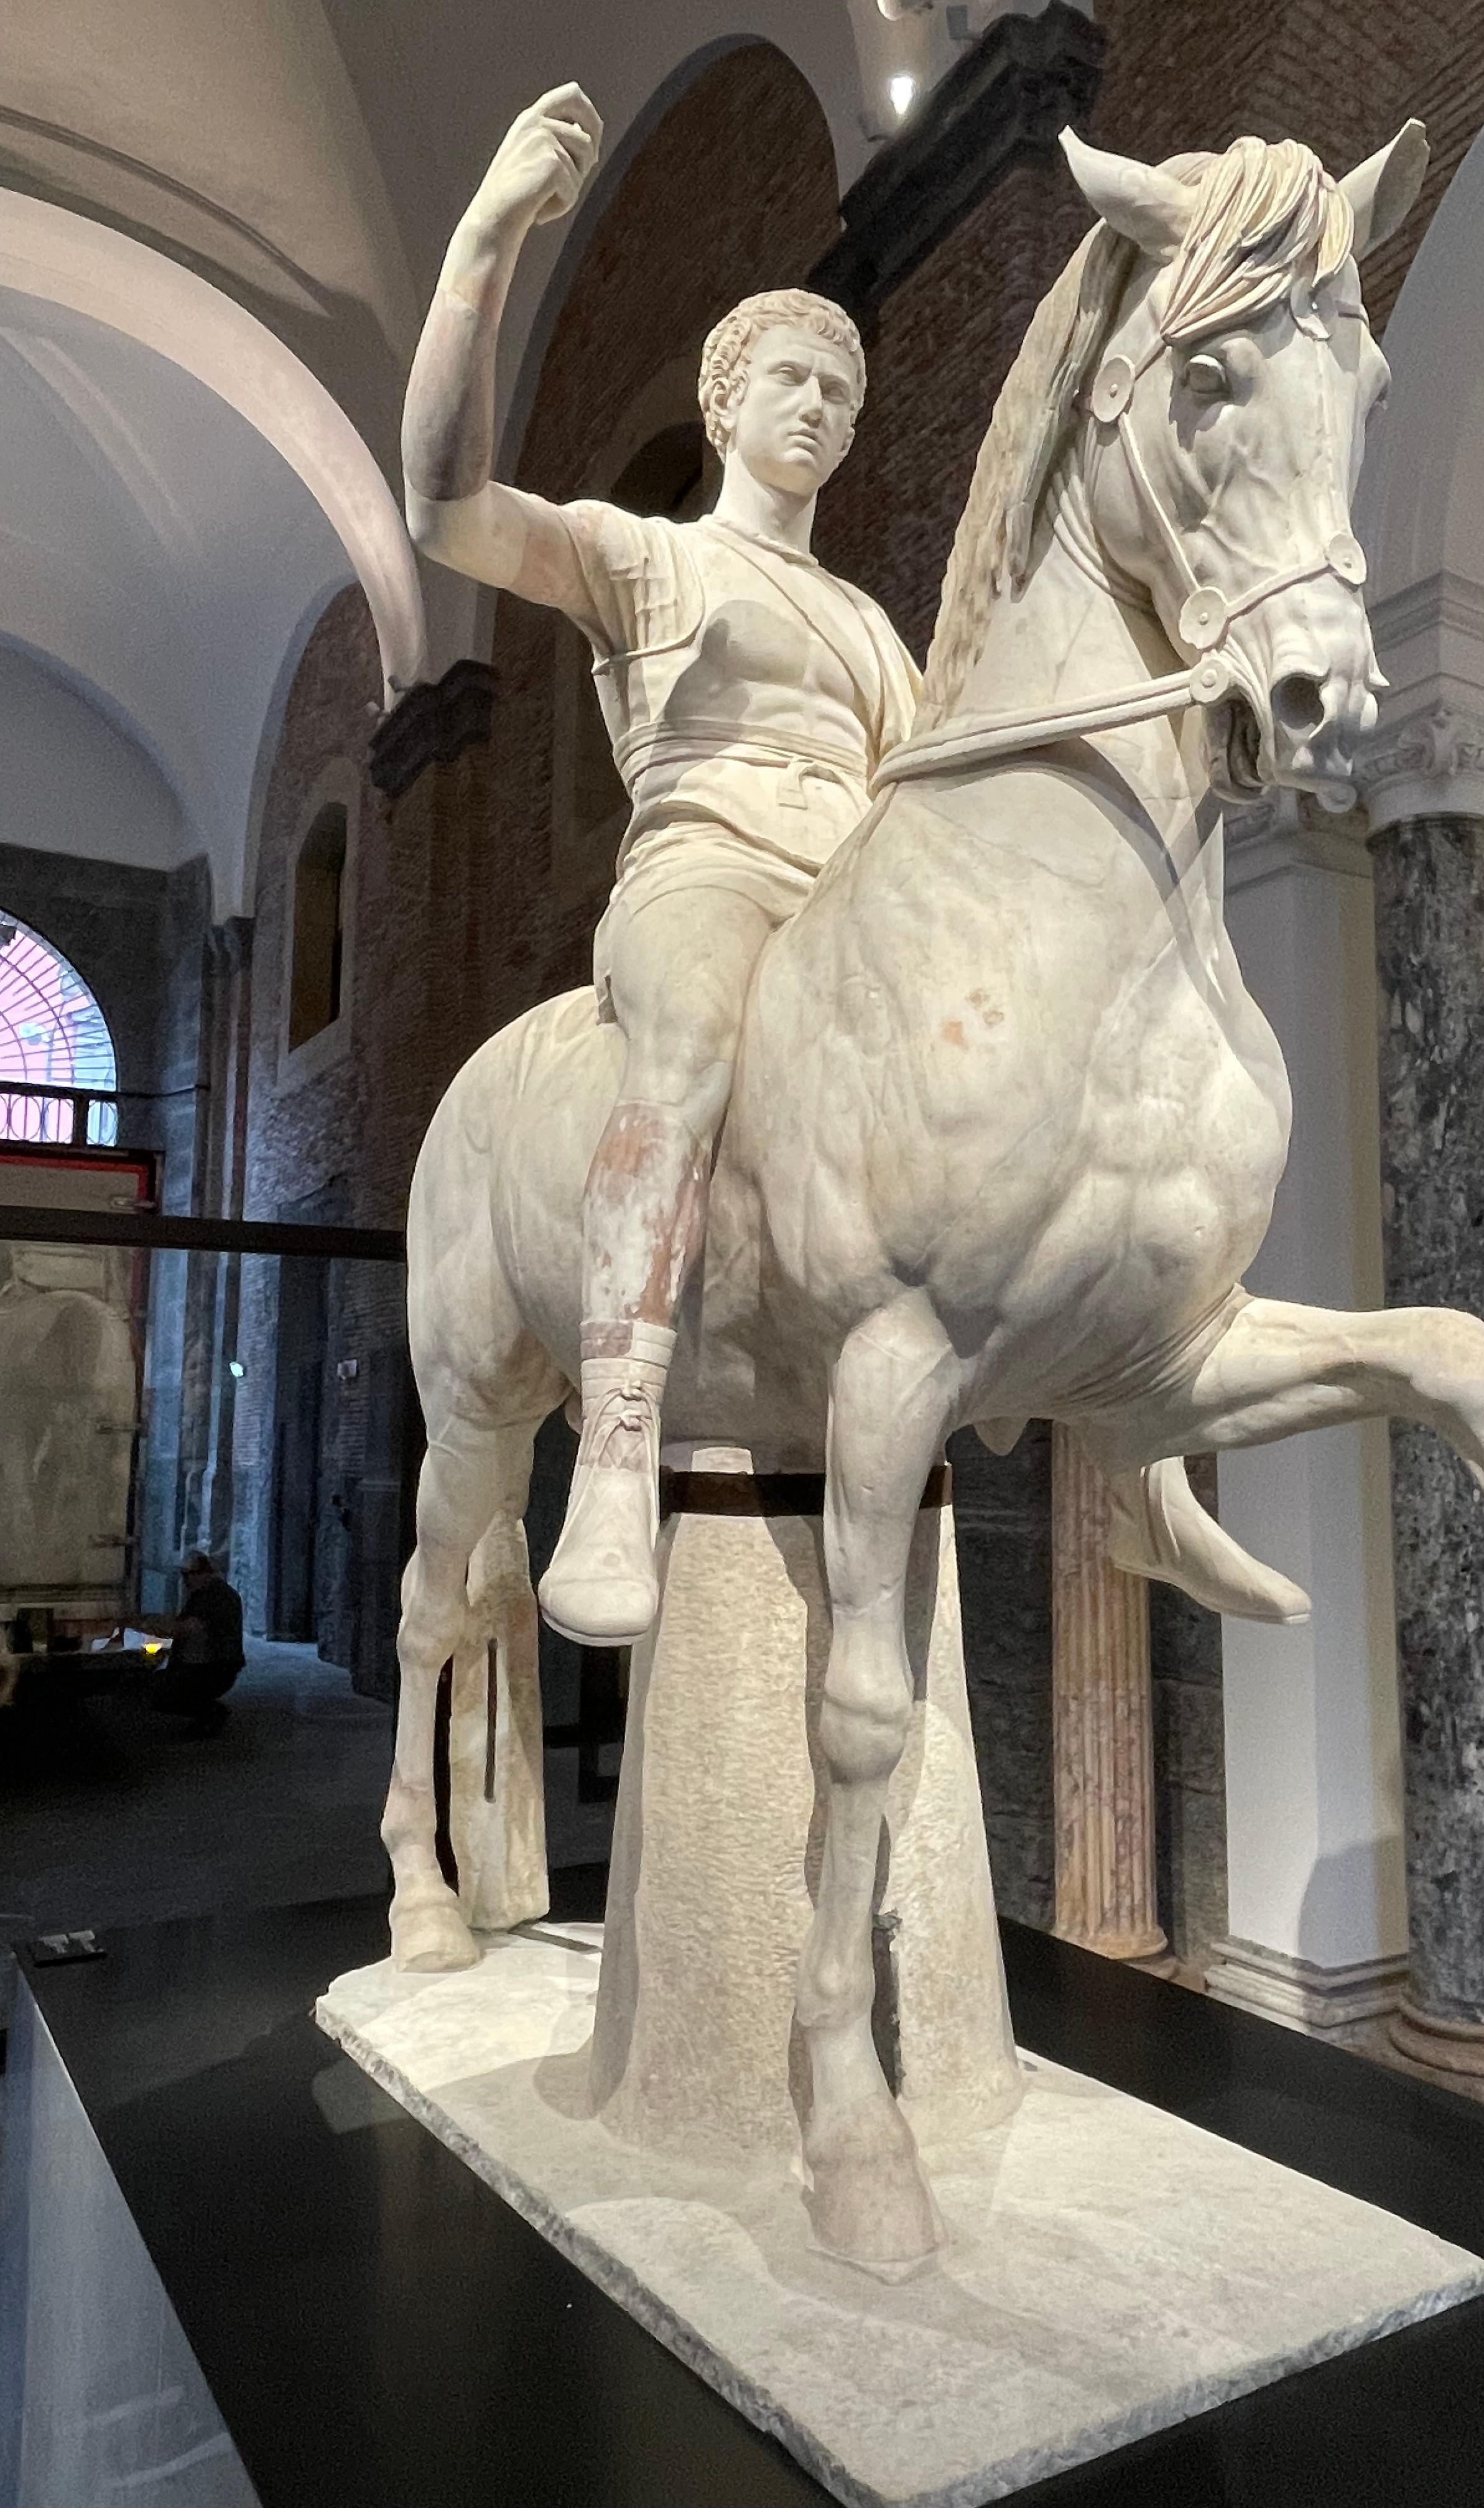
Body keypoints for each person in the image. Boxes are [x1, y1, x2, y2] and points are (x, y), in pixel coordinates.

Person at [404, 83, 921, 1648]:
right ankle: (620, 1441)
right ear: (725, 404)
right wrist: (486, 242)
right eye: (790, 378)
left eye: (842, 390)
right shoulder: (655, 558)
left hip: (852, 905)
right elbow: (446, 507)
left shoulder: (873, 628)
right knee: (689, 1036)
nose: (819, 407)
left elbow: (927, 790)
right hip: (708, 872)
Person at [142, 1553, 245, 1735]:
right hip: (209, 1665)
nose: (185, 1581)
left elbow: (188, 1628)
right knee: (158, 1686)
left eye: (188, 1575)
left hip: (212, 1667)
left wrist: (154, 1628)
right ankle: (206, 1712)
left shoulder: (216, 1597)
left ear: (203, 1573)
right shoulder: (208, 1594)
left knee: (154, 1691)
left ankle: (209, 1712)